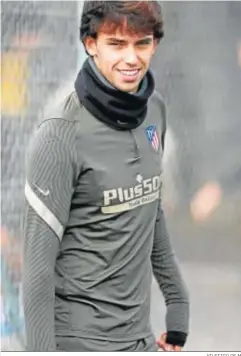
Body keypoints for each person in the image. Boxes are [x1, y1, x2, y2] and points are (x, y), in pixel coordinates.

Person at [22, 1, 189, 352]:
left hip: (141, 340)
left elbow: (149, 207)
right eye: (116, 44)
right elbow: (37, 274)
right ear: (90, 43)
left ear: (154, 44)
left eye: (141, 43)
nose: (131, 59)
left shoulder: (154, 110)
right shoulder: (60, 134)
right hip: (79, 343)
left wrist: (178, 304)